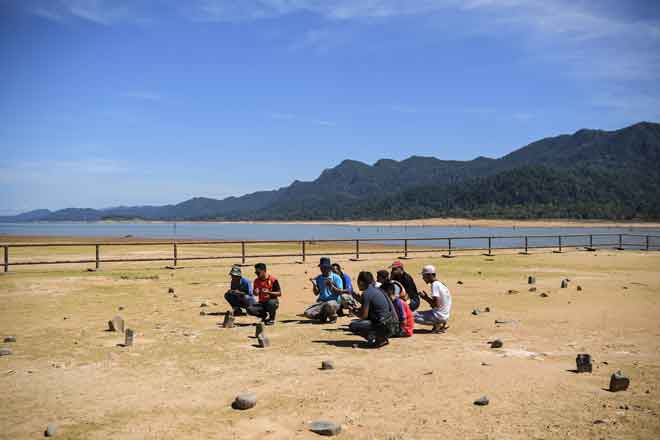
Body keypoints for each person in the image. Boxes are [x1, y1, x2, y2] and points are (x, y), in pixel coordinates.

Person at [348, 271, 398, 347]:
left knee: (353, 326)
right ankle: (381, 337)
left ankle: (378, 339)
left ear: (361, 282)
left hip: (384, 326)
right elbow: (371, 304)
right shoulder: (377, 289)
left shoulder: (366, 293)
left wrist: (353, 311)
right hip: (393, 324)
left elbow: (363, 316)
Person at [304, 257, 344, 323]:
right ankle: (323, 315)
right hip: (322, 302)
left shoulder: (336, 277)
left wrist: (331, 286)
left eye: (325, 267)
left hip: (334, 302)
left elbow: (340, 292)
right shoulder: (319, 278)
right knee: (307, 313)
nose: (322, 269)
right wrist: (314, 285)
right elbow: (316, 293)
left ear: (329, 268)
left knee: (329, 304)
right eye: (321, 267)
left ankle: (333, 316)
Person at [413, 264, 452, 333]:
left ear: (429, 275)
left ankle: (437, 324)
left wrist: (425, 298)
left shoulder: (435, 285)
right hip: (445, 315)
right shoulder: (441, 284)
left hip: (438, 316)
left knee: (410, 315)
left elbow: (436, 305)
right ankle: (439, 324)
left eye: (424, 276)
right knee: (415, 313)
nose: (423, 278)